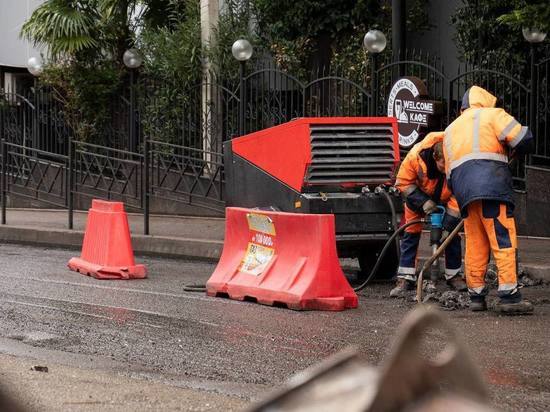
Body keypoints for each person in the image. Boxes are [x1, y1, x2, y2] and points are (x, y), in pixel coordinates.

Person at [443, 85, 534, 314]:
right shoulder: (493, 115)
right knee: (502, 238)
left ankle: (476, 296)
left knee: (475, 242)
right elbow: (523, 138)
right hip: (491, 188)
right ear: (486, 101)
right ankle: (509, 296)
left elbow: (449, 174)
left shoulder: (450, 130)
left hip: (464, 193)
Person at [390, 131, 466, 297]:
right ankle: (405, 277)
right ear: (434, 157)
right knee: (411, 233)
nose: (445, 170)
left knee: (451, 235)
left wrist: (448, 224)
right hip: (417, 197)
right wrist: (423, 201)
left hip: (446, 200)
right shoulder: (415, 158)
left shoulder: (457, 158)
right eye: (441, 166)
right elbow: (403, 182)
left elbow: (460, 193)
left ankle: (454, 275)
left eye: (448, 167)